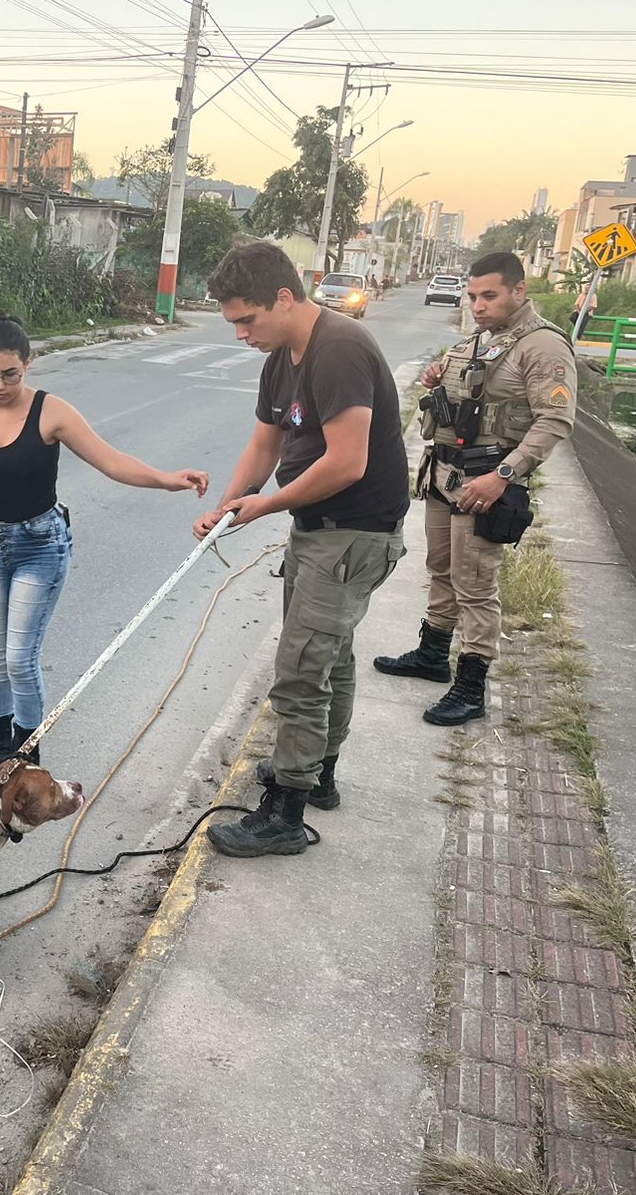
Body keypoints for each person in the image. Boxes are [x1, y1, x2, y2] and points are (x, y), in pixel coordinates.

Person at [0, 313, 210, 778]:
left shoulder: (51, 412)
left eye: (9, 374)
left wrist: (169, 480)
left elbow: (111, 461)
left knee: (19, 656)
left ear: (28, 364)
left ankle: (27, 754)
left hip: (41, 545)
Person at [191, 242, 410, 859]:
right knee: (329, 659)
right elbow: (264, 447)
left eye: (246, 319)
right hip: (320, 529)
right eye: (233, 322)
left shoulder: (338, 348)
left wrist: (265, 505)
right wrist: (228, 505)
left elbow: (348, 462)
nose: (240, 334)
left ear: (283, 299)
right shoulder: (281, 355)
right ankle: (316, 775)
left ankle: (286, 814)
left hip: (353, 532)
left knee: (300, 670)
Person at [373, 251, 576, 725]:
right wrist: (436, 378)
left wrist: (504, 475)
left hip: (487, 481)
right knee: (441, 568)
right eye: (473, 296)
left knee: (476, 585)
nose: (479, 305)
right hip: (445, 475)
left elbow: (555, 420)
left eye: (490, 295)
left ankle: (471, 685)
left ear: (518, 291)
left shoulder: (541, 346)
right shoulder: (480, 340)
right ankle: (432, 653)